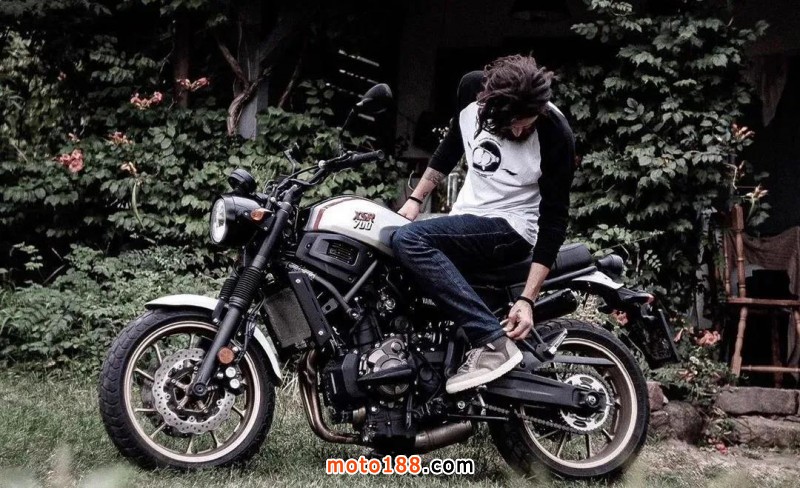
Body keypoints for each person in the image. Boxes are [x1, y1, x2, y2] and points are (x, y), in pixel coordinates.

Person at [391, 54, 576, 394]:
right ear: (489, 107)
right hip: (467, 219)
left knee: (409, 241)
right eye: (513, 123)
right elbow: (452, 146)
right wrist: (415, 200)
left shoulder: (554, 133)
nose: (519, 130)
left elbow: (554, 219)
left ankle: (492, 342)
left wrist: (528, 299)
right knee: (390, 244)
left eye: (527, 124)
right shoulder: (470, 90)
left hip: (512, 228)